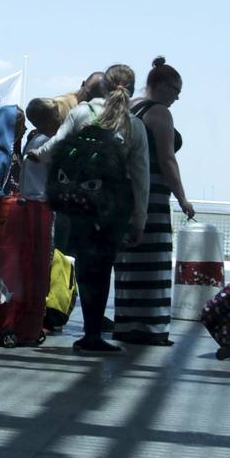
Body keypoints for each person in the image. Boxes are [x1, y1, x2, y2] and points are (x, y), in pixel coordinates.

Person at [29, 63, 150, 353]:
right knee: (104, 266)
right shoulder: (134, 125)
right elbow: (141, 177)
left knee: (84, 265)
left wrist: (36, 154)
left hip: (79, 204)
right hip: (113, 208)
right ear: (130, 91)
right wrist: (139, 220)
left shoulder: (81, 112)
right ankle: (96, 333)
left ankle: (88, 332)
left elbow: (55, 147)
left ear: (103, 86)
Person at [117, 57, 197, 346]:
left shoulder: (130, 106)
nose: (177, 95)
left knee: (129, 261)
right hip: (152, 196)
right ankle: (150, 326)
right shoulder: (159, 113)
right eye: (176, 88)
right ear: (160, 85)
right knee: (154, 261)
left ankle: (126, 323)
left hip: (127, 195)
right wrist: (183, 197)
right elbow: (167, 159)